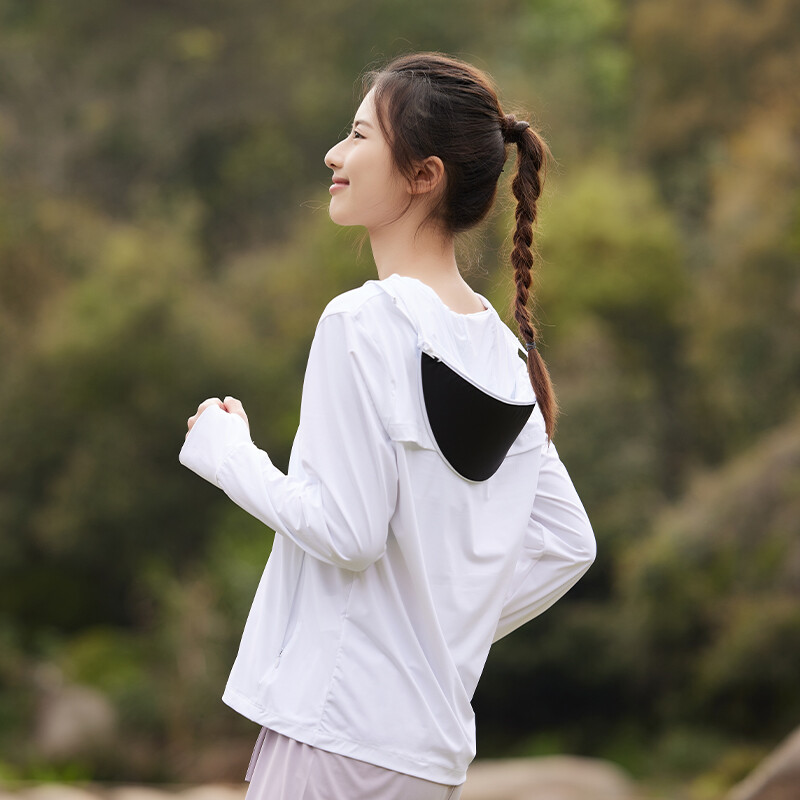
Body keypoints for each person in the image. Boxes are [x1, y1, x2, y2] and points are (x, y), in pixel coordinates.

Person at [179, 52, 596, 800]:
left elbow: (347, 532)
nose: (334, 155)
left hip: (334, 733)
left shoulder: (364, 319)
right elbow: (568, 543)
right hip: (427, 757)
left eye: (360, 135)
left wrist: (225, 453)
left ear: (423, 175)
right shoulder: (504, 352)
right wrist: (433, 629)